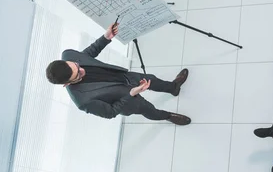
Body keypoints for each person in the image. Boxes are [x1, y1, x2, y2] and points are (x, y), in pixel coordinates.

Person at [45, 23, 191, 125]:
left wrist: (106, 37)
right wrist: (132, 93)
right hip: (125, 100)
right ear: (67, 84)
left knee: (152, 80)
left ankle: (174, 88)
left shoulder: (68, 54)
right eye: (78, 75)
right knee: (148, 109)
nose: (82, 69)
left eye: (77, 66)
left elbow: (87, 55)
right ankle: (167, 116)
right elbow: (110, 112)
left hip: (123, 77)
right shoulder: (83, 101)